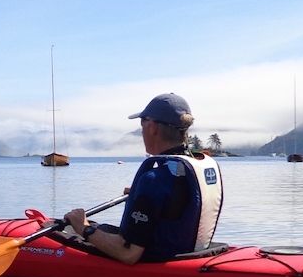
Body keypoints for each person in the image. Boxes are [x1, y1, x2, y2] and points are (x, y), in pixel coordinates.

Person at [65, 93, 222, 263]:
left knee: (75, 230)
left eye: (142, 123)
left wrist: (83, 228)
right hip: (189, 252)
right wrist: (141, 198)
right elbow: (180, 203)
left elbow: (128, 254)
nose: (141, 130)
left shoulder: (153, 180)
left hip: (159, 260)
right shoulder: (193, 167)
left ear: (153, 127)